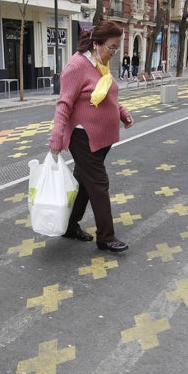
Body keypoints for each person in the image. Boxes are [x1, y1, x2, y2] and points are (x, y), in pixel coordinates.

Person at [49, 20, 134, 252]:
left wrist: (122, 113)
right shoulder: (77, 66)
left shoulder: (100, 65)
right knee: (98, 183)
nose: (114, 53)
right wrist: (57, 137)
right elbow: (64, 104)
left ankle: (69, 225)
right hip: (83, 138)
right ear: (96, 44)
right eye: (111, 47)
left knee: (85, 184)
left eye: (117, 48)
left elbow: (108, 96)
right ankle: (106, 236)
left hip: (101, 138)